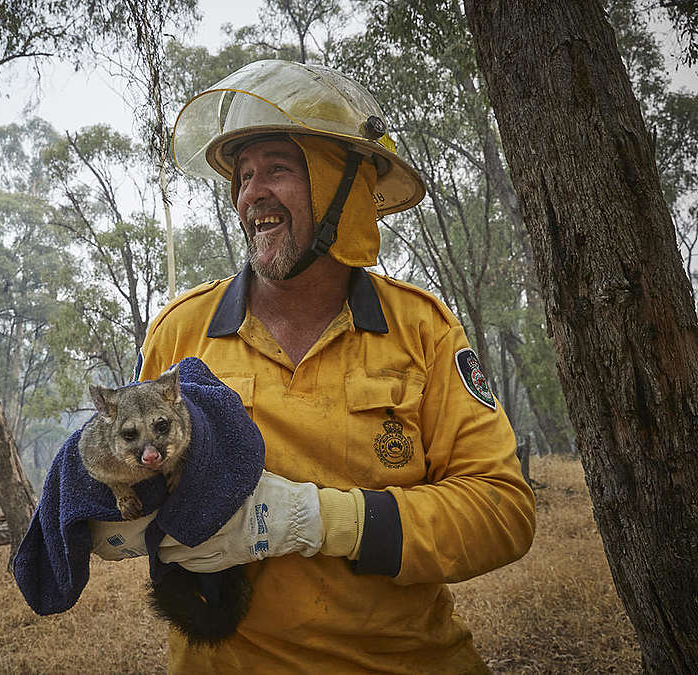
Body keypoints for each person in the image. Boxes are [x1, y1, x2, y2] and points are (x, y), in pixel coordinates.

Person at [91, 59, 535, 673]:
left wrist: (328, 520)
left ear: (345, 192)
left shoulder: (423, 329)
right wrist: (106, 506)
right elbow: (131, 473)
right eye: (243, 176)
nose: (251, 193)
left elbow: (501, 511)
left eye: (278, 168)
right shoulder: (181, 331)